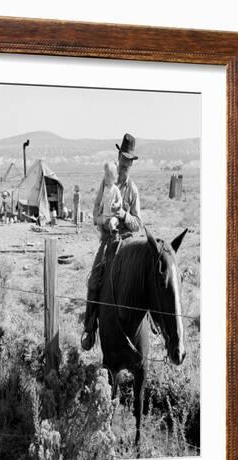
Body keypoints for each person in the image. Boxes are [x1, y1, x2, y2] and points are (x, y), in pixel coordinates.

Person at [81, 133, 142, 351]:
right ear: (118, 157)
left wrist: (124, 214)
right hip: (108, 241)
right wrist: (101, 220)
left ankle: (155, 328)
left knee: (145, 281)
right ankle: (90, 328)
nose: (125, 164)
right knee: (94, 278)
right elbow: (95, 211)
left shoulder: (132, 190)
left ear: (132, 163)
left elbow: (138, 224)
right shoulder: (106, 183)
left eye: (129, 161)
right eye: (123, 158)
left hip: (127, 242)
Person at [95, 162, 122, 237]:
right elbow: (103, 200)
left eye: (107, 176)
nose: (105, 178)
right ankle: (103, 234)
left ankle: (114, 234)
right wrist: (100, 209)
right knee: (98, 220)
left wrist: (117, 204)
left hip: (113, 215)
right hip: (105, 215)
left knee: (112, 223)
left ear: (113, 178)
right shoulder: (106, 189)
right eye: (105, 176)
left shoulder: (115, 189)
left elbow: (120, 200)